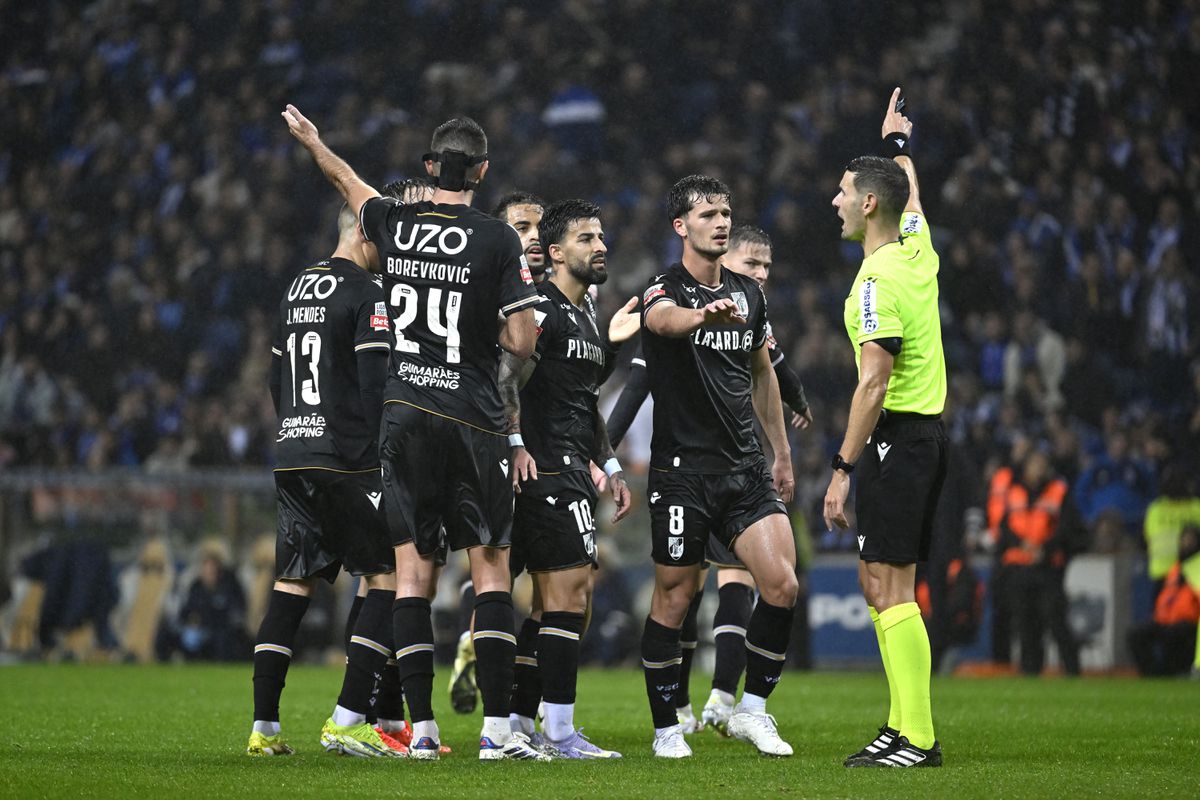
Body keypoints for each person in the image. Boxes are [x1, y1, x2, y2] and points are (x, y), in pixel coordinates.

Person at [282, 105, 546, 761]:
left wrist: (316, 141)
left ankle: (422, 732)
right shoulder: (496, 240)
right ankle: (497, 733)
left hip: (402, 414)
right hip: (470, 412)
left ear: (429, 169)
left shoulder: (394, 222)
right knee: (489, 571)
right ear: (482, 172)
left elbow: (349, 185)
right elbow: (521, 338)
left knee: (410, 574)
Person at [608, 223, 813, 735]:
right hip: (682, 473)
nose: (760, 274)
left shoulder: (749, 305)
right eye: (752, 264)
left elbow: (769, 367)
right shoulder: (672, 291)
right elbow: (638, 379)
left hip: (742, 471)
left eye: (767, 266)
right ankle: (674, 711)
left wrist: (785, 439)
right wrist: (604, 455)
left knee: (764, 580)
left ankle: (735, 701)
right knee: (682, 593)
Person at [247, 202, 400, 759]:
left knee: (291, 585)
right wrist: (386, 455)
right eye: (385, 233)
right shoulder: (366, 292)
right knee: (387, 577)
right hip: (346, 457)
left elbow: (272, 375)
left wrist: (295, 427)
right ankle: (347, 717)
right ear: (362, 231)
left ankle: (263, 729)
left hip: (292, 451)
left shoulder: (295, 288)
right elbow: (373, 385)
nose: (393, 245)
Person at [824, 89, 948, 768]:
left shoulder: (876, 281)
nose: (835, 201)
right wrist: (898, 147)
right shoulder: (913, 247)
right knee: (878, 581)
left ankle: (919, 738)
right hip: (908, 440)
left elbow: (873, 382)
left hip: (900, 438)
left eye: (843, 192)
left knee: (893, 587)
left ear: (869, 204)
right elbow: (916, 204)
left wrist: (841, 470)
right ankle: (900, 725)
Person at [502, 198, 632, 758]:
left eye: (600, 237)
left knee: (549, 604)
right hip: (545, 468)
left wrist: (611, 464)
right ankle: (559, 731)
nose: (599, 246)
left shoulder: (585, 317)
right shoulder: (543, 311)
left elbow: (585, 401)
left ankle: (518, 723)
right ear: (555, 253)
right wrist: (515, 446)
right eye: (586, 239)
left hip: (573, 467)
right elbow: (506, 380)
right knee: (569, 598)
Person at [448, 189, 546, 717]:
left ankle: (478, 658)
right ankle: (506, 717)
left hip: (536, 454)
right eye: (520, 228)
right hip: (496, 446)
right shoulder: (492, 284)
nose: (531, 238)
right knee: (497, 570)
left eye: (537, 228)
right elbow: (505, 376)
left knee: (511, 577)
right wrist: (514, 440)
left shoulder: (555, 292)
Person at [992, 448, 1081, 676]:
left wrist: (1046, 549)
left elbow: (1068, 527)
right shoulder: (1014, 491)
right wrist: (1021, 544)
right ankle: (1030, 670)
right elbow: (1004, 526)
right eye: (1035, 464)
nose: (1039, 469)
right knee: (1024, 621)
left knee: (1055, 617)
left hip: (1047, 566)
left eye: (1042, 464)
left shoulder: (1058, 491)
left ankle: (1072, 670)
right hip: (1018, 565)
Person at [1128, 526, 1200, 676]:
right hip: (1166, 619)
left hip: (1190, 621)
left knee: (1175, 634)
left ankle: (1175, 671)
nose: (1186, 543)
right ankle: (1152, 673)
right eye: (1184, 539)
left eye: (1190, 540)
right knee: (1135, 634)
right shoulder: (1175, 569)